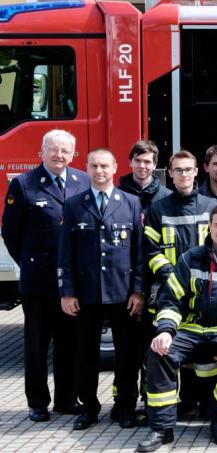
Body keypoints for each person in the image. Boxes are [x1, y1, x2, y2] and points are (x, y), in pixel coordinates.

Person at [137, 202, 217, 452]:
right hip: (192, 330)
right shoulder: (189, 258)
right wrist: (165, 331)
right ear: (210, 226)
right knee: (158, 353)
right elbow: (171, 299)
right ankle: (161, 429)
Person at [2, 129, 90, 421]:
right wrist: (29, 263)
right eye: (54, 150)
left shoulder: (83, 181)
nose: (59, 155)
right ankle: (37, 402)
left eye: (65, 151)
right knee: (37, 344)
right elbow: (10, 233)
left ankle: (66, 399)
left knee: (69, 343)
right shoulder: (24, 185)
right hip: (39, 281)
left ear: (73, 153)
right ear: (42, 151)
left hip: (72, 283)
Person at [58, 148, 145, 430]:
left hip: (123, 294)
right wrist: (67, 292)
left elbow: (139, 252)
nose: (99, 171)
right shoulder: (73, 204)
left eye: (105, 166)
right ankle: (89, 408)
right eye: (94, 166)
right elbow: (65, 253)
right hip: (87, 294)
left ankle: (125, 408)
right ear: (86, 168)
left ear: (115, 167)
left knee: (127, 355)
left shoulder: (131, 202)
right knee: (85, 355)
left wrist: (138, 291)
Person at [143, 150, 217, 415]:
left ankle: (202, 402)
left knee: (203, 350)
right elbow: (151, 250)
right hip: (171, 292)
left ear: (197, 171)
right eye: (178, 170)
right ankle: (183, 403)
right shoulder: (158, 209)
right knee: (175, 345)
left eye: (188, 169)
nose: (184, 174)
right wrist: (172, 276)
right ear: (170, 173)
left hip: (206, 290)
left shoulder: (211, 208)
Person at [118, 140, 172, 211]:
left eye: (147, 162)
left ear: (154, 165)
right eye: (137, 160)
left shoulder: (167, 197)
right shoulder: (116, 195)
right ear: (131, 162)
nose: (141, 166)